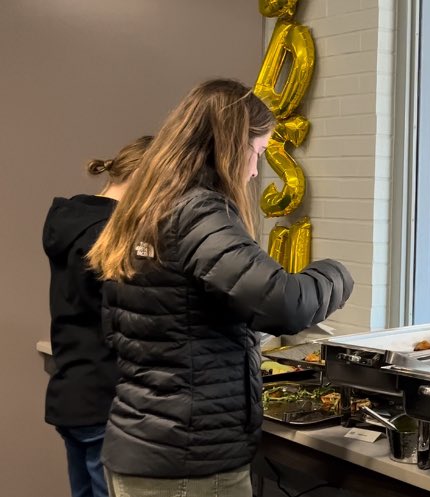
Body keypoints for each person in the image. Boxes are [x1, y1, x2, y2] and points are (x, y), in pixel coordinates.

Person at [87, 79, 353, 497]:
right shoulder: (197, 210)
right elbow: (286, 303)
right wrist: (335, 272)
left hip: (143, 443)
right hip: (188, 461)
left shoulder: (145, 208)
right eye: (257, 152)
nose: (254, 171)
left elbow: (153, 322)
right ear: (232, 144)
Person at [43, 135, 153, 497]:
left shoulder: (73, 219)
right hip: (105, 399)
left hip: (73, 392)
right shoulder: (108, 234)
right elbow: (129, 320)